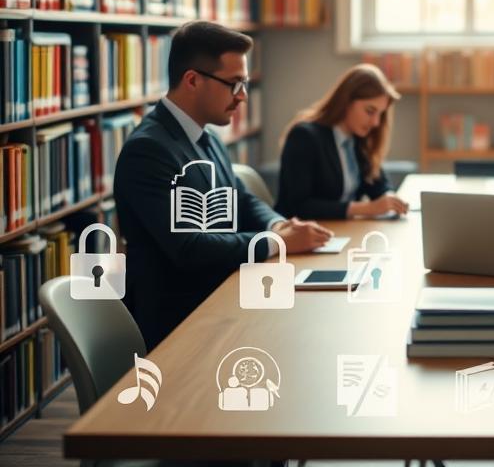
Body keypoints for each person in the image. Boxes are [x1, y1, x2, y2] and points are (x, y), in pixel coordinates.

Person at [115, 21, 333, 350]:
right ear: (192, 80)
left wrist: (278, 223)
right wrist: (276, 241)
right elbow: (190, 248)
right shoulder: (149, 151)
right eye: (234, 84)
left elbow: (240, 199)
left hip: (221, 296)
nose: (243, 96)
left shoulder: (207, 135)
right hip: (181, 324)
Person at [275, 64, 409, 220]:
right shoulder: (304, 136)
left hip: (339, 231)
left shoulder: (358, 139)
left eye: (380, 114)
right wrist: (367, 208)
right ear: (346, 101)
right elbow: (298, 206)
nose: (376, 123)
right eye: (370, 111)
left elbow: (379, 185)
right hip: (299, 234)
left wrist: (390, 199)